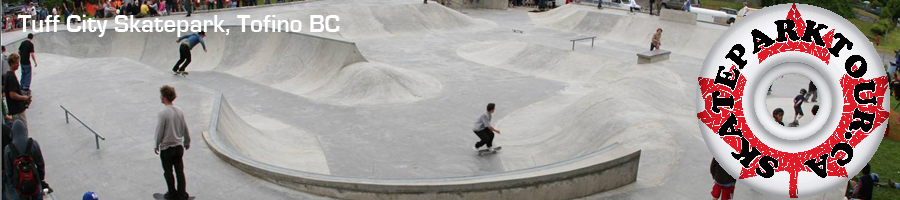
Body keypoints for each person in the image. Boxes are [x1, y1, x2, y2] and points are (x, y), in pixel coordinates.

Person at [155, 85, 191, 200]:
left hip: (167, 148)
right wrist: (187, 141)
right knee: (180, 172)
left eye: (161, 95)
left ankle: (172, 193)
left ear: (164, 97)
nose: (160, 97)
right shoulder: (179, 110)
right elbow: (185, 127)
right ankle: (182, 194)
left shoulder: (163, 113)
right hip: (178, 147)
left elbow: (159, 131)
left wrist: (156, 145)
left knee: (168, 172)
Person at [3, 120, 46, 200]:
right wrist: (40, 179)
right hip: (34, 182)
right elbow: (40, 164)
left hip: (19, 187)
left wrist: (14, 185)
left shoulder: (8, 149)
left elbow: (8, 171)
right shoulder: (33, 144)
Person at [4, 54, 31, 127]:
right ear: (11, 63)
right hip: (17, 110)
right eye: (16, 63)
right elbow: (12, 94)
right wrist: (24, 98)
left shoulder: (8, 74)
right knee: (23, 130)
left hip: (15, 109)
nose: (18, 65)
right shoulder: (11, 77)